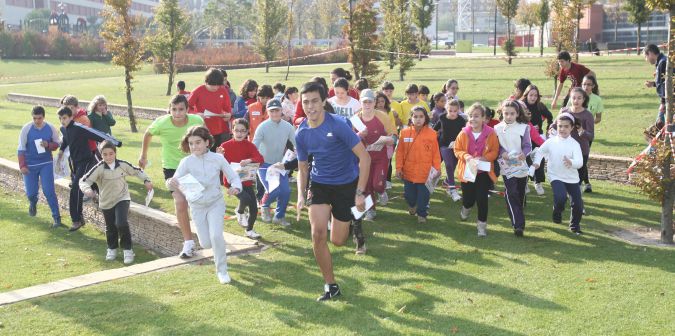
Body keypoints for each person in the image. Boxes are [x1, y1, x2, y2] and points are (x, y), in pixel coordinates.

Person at [295, 82, 371, 301]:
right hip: (319, 184)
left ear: (323, 102)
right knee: (317, 233)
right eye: (305, 101)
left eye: (315, 101)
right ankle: (331, 285)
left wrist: (359, 193)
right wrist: (301, 194)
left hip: (346, 185)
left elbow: (364, 158)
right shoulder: (301, 133)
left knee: (338, 240)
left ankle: (355, 214)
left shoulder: (338, 125)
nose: (310, 106)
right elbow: (303, 167)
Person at [167, 126, 242, 284]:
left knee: (216, 236)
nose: (194, 146)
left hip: (216, 203)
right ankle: (216, 246)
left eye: (198, 142)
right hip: (197, 206)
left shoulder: (218, 159)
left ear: (207, 142)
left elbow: (234, 177)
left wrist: (236, 188)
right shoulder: (186, 162)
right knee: (206, 243)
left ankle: (222, 271)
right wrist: (170, 182)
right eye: (191, 143)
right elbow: (173, 182)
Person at [139, 95, 204, 258]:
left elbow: (205, 140)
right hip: (172, 169)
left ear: (187, 109)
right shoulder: (162, 122)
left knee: (197, 202)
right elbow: (148, 133)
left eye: (181, 109)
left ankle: (205, 235)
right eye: (174, 109)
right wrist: (143, 155)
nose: (177, 113)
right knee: (180, 202)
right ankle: (188, 243)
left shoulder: (196, 120)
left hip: (193, 167)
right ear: (169, 109)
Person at [80, 140, 153, 264]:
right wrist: (87, 190)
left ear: (115, 153)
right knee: (110, 227)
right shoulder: (99, 168)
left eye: (111, 154)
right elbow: (83, 181)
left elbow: (137, 171)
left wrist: (146, 180)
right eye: (105, 154)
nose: (108, 157)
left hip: (122, 198)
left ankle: (128, 250)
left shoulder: (123, 165)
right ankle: (112, 249)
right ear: (101, 154)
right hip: (106, 201)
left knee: (121, 223)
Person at [57, 107, 121, 232]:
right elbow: (66, 139)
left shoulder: (79, 127)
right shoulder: (64, 129)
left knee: (76, 188)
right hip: (75, 164)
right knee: (92, 186)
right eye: (60, 119)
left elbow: (97, 134)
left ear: (71, 117)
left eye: (64, 118)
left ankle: (76, 220)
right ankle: (98, 205)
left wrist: (116, 142)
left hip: (87, 161)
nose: (62, 121)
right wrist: (61, 150)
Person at [533, 113, 584, 235]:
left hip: (572, 178)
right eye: (560, 126)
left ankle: (574, 226)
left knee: (578, 204)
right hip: (555, 175)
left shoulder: (575, 144)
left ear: (572, 128)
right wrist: (536, 163)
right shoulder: (551, 142)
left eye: (566, 126)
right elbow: (540, 152)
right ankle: (557, 211)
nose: (563, 129)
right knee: (560, 197)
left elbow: (580, 162)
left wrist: (571, 162)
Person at [454, 103, 499, 237]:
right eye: (471, 116)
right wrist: (467, 157)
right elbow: (457, 150)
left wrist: (485, 158)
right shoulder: (463, 133)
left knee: (482, 199)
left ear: (484, 118)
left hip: (483, 172)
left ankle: (481, 227)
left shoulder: (491, 133)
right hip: (467, 171)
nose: (473, 119)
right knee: (469, 200)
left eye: (477, 116)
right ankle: (466, 209)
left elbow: (495, 151)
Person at [253, 98, 296, 227]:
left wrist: (299, 153)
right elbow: (254, 146)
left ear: (281, 111)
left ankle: (279, 217)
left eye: (277, 110)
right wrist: (253, 160)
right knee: (274, 189)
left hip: (280, 164)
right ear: (268, 112)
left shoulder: (288, 126)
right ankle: (264, 205)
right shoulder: (262, 127)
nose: (275, 113)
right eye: (271, 111)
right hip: (264, 164)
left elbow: (296, 143)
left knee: (286, 191)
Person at [218, 118, 264, 239]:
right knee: (245, 198)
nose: (239, 134)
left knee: (254, 207)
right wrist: (219, 157)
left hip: (246, 181)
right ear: (232, 130)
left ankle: (249, 230)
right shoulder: (224, 146)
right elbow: (217, 164)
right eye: (236, 130)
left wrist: (249, 160)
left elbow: (260, 159)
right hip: (231, 182)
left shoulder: (250, 145)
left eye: (243, 131)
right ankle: (239, 211)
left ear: (247, 132)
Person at [354, 89, 396, 219]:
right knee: (366, 186)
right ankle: (370, 210)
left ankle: (382, 191)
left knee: (377, 184)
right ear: (360, 103)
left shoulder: (382, 116)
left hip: (380, 157)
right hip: (363, 159)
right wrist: (359, 135)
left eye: (370, 102)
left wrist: (388, 140)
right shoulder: (356, 119)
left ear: (374, 103)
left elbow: (394, 135)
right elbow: (350, 139)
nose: (367, 105)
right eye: (364, 102)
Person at [17, 106, 62, 228]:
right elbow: (21, 149)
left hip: (46, 163)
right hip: (30, 165)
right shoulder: (26, 129)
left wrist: (48, 144)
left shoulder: (50, 128)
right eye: (35, 118)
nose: (37, 120)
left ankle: (57, 218)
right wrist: (22, 165)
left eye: (39, 118)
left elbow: (57, 144)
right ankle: (33, 202)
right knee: (31, 193)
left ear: (44, 117)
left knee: (49, 191)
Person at [396, 106, 441, 223]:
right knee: (409, 196)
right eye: (415, 116)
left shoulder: (432, 134)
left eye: (421, 116)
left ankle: (422, 214)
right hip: (408, 172)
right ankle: (412, 206)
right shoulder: (404, 133)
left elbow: (436, 153)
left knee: (423, 197)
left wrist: (437, 169)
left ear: (425, 118)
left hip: (425, 173)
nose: (418, 119)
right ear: (411, 118)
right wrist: (398, 168)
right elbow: (399, 152)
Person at [494, 100, 532, 237]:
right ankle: (518, 225)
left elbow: (528, 145)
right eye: (506, 113)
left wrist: (524, 153)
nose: (509, 116)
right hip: (506, 166)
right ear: (502, 113)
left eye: (512, 114)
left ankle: (518, 214)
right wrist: (501, 152)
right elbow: (496, 146)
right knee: (511, 192)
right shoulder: (497, 129)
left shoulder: (523, 127)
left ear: (517, 114)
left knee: (520, 193)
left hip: (521, 165)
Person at [557, 88, 594, 193]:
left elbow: (591, 136)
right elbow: (555, 126)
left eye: (579, 98)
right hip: (564, 149)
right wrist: (551, 129)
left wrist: (582, 131)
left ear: (583, 99)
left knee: (577, 180)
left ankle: (577, 202)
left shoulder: (588, 115)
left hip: (581, 151)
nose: (576, 101)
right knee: (564, 176)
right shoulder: (564, 111)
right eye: (573, 98)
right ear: (570, 98)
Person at [187, 68, 233, 151]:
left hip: (219, 130)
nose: (215, 87)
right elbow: (187, 108)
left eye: (218, 85)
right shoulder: (198, 91)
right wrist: (196, 114)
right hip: (201, 131)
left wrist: (228, 115)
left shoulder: (223, 91)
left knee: (216, 156)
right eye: (212, 85)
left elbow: (228, 108)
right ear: (206, 82)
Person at [521, 85, 552, 195]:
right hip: (524, 139)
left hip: (537, 137)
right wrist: (529, 128)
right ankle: (524, 183)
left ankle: (537, 182)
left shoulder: (540, 106)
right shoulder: (521, 106)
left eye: (535, 95)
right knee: (526, 160)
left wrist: (548, 130)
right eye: (531, 95)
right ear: (526, 95)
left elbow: (550, 117)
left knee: (539, 160)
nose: (533, 98)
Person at [433, 99, 466, 202]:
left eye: (455, 111)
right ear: (446, 109)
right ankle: (452, 189)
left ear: (458, 110)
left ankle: (447, 182)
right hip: (444, 145)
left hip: (457, 146)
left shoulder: (461, 120)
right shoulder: (442, 117)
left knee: (453, 165)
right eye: (450, 110)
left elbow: (465, 133)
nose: (452, 113)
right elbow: (435, 128)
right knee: (448, 165)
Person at [644, 44, 668, 126]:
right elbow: (663, 81)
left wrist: (663, 103)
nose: (646, 59)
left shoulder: (663, 63)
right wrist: (653, 84)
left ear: (650, 53)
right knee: (660, 128)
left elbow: (666, 85)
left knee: (658, 129)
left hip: (667, 102)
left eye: (646, 56)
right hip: (667, 101)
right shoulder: (661, 61)